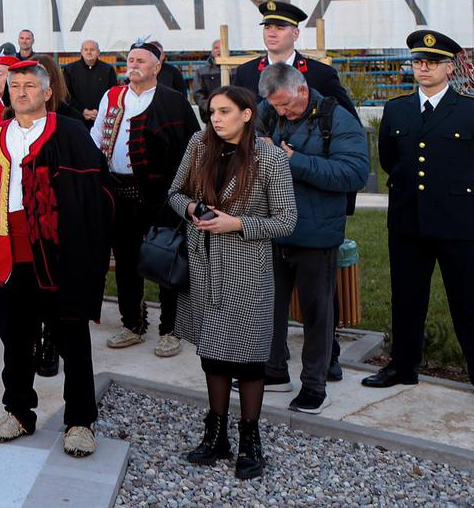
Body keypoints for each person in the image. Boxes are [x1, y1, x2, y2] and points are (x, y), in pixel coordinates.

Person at [0, 58, 112, 458]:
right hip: (7, 253)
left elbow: (92, 198)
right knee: (15, 339)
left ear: (48, 92)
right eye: (15, 85)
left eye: (30, 85)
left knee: (72, 340)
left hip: (58, 255)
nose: (21, 91)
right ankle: (18, 411)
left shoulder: (69, 133)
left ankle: (80, 421)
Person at [167, 86, 296, 480]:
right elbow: (174, 193)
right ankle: (216, 434)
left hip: (247, 271)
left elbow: (287, 220)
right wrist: (192, 209)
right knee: (213, 354)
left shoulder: (269, 157)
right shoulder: (198, 145)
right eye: (211, 113)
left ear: (246, 114)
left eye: (224, 112)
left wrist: (236, 223)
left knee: (249, 360)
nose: (215, 119)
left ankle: (250, 439)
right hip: (204, 267)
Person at [256, 62, 369, 412]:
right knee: (269, 307)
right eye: (275, 106)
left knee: (317, 315)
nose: (281, 112)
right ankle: (274, 372)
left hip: (316, 233)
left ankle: (314, 386)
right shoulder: (269, 112)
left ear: (303, 89)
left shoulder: (337, 119)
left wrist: (294, 161)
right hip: (273, 228)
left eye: (286, 105)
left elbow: (354, 174)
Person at [365, 30, 474, 388]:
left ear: (450, 67)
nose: (423, 68)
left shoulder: (469, 109)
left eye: (432, 62)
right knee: (407, 297)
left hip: (458, 223)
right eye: (417, 61)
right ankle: (403, 366)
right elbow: (389, 160)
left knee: (466, 299)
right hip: (408, 220)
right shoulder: (397, 109)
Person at [92, 40, 201, 357]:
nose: (134, 64)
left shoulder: (173, 101)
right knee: (126, 261)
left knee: (166, 259)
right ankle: (132, 324)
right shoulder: (113, 96)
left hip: (160, 195)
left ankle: (171, 329)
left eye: (141, 60)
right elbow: (96, 136)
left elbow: (192, 146)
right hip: (119, 192)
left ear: (157, 66)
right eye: (130, 59)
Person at [232, 0, 358, 118]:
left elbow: (349, 120)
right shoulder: (245, 73)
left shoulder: (321, 74)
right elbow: (235, 117)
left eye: (280, 28)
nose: (271, 33)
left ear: (295, 34)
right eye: (267, 27)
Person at [63, 40, 117, 123]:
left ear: (98, 52)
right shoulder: (69, 70)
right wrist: (82, 111)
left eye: (92, 49)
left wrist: (98, 111)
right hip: (76, 119)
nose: (89, 52)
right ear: (81, 51)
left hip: (101, 118)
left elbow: (113, 93)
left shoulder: (108, 70)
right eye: (86, 49)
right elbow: (66, 95)